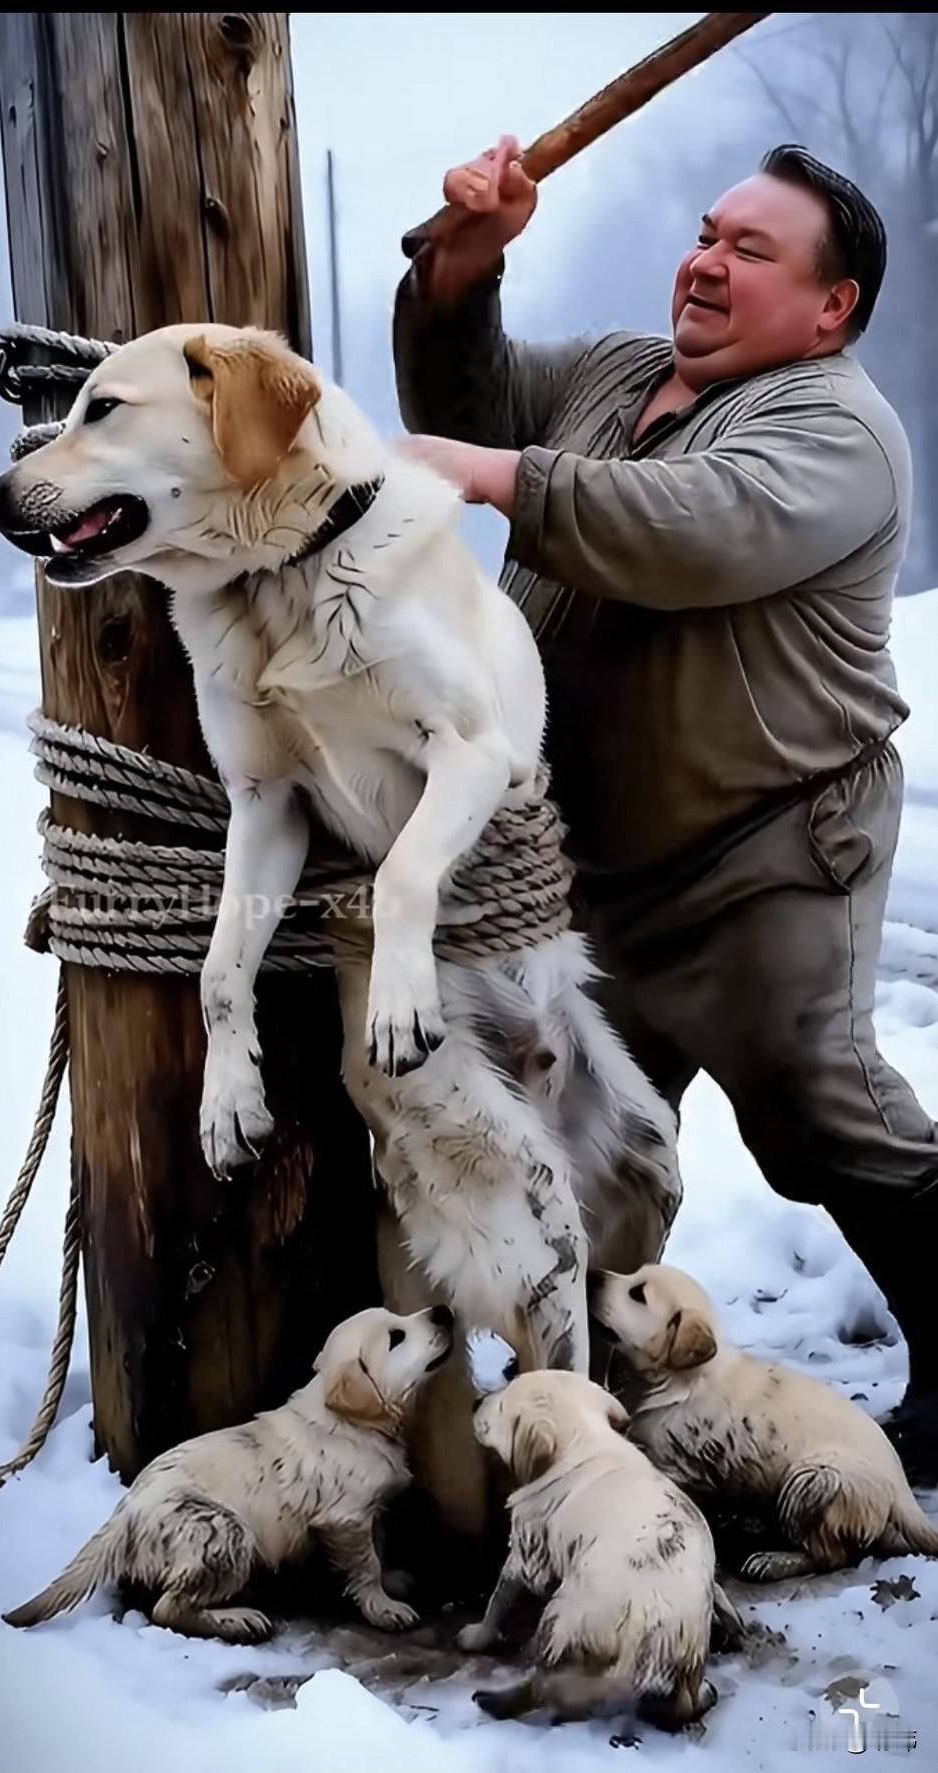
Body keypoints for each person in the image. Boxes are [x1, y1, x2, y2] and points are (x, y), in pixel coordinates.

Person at [391, 138, 938, 1482]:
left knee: (817, 1104)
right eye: (707, 233)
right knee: (580, 1131)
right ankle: (593, 1393)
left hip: (768, 847)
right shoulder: (617, 373)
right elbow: (480, 390)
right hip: (585, 864)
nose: (704, 259)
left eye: (752, 251)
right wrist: (461, 275)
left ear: (831, 308)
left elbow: (691, 527)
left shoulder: (836, 430)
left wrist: (488, 476)